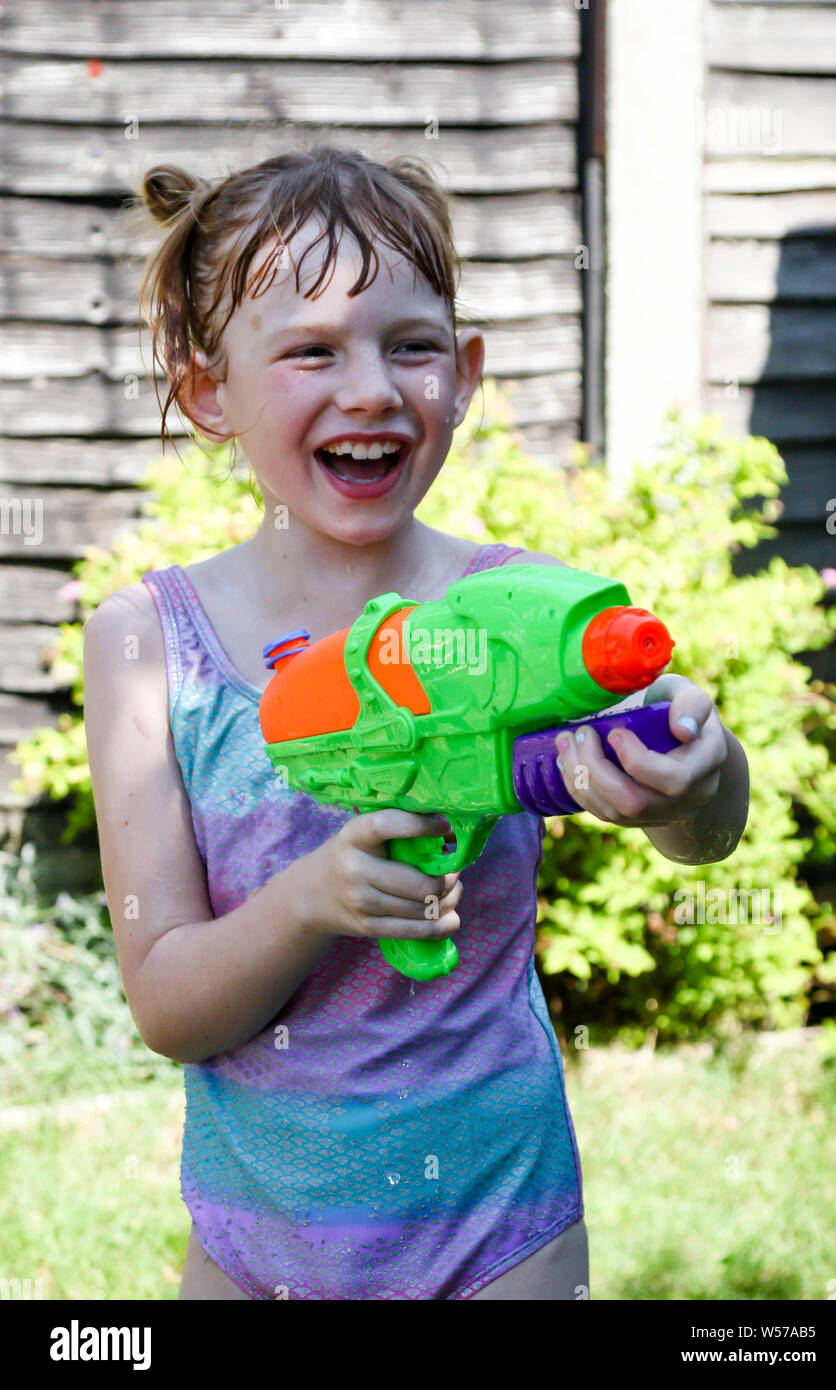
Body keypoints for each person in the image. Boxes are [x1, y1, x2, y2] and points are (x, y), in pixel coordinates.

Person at [83, 147, 747, 1301]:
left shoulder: (524, 612)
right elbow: (167, 1004)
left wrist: (696, 781)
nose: (372, 391)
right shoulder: (150, 643)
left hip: (502, 1230)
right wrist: (308, 902)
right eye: (310, 351)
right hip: (253, 1250)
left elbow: (701, 829)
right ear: (207, 392)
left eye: (411, 345)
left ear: (464, 372)